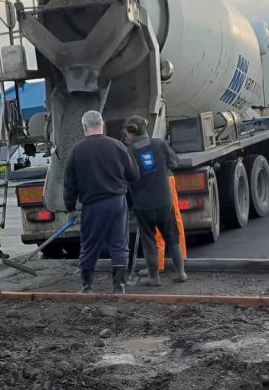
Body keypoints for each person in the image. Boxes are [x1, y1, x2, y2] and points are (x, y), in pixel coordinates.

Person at [63, 110, 139, 294]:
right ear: (102, 124)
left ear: (84, 127)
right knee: (119, 242)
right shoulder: (118, 147)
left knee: (90, 244)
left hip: (92, 205)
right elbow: (134, 175)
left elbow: (69, 183)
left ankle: (86, 286)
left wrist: (70, 208)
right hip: (116, 202)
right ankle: (119, 285)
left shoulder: (77, 151)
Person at [122, 117, 187, 285]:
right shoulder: (159, 144)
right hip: (165, 200)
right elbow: (174, 162)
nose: (126, 136)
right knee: (172, 237)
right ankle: (181, 273)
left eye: (126, 133)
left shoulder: (129, 152)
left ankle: (154, 277)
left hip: (143, 204)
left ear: (131, 132)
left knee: (149, 240)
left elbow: (125, 178)